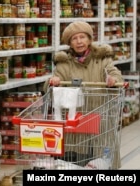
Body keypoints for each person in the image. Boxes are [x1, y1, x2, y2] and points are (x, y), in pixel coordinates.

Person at [43, 21, 124, 169]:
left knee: (102, 163)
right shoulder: (64, 64)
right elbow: (48, 89)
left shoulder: (102, 60)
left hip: (101, 121)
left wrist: (113, 80)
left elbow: (115, 75)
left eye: (82, 37)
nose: (79, 41)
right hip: (76, 126)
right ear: (70, 43)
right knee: (76, 165)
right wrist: (53, 82)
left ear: (89, 39)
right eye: (74, 38)